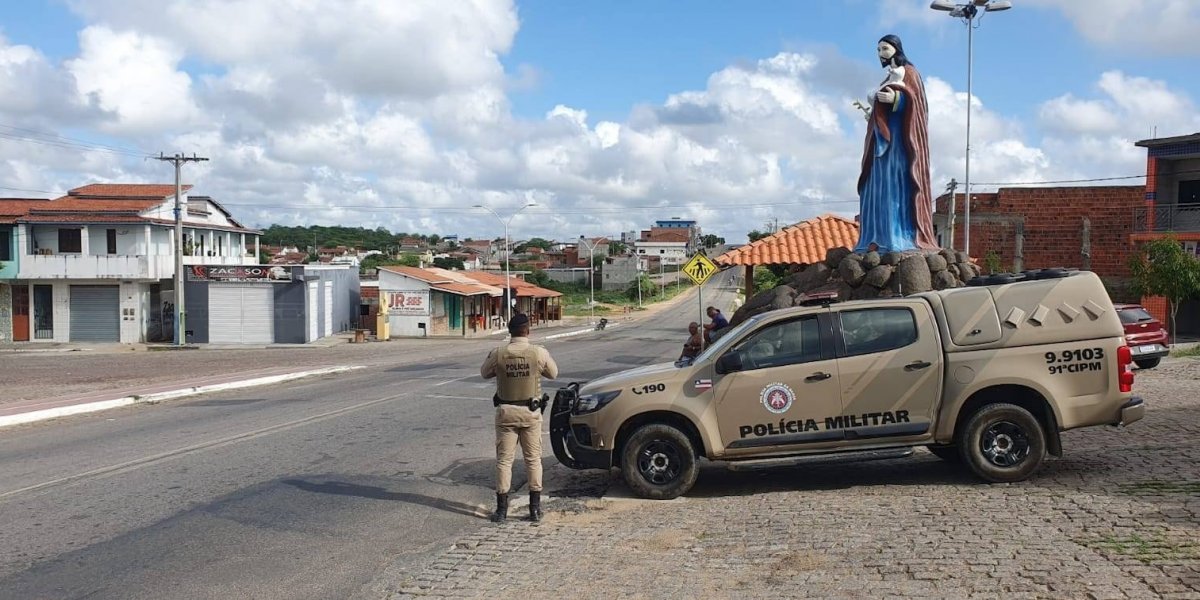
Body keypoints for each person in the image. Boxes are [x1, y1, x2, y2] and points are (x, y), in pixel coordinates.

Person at [854, 34, 939, 254]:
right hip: (880, 142)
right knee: (876, 186)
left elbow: (918, 106)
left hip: (899, 144)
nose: (880, 54)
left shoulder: (909, 72)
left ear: (896, 48)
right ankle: (876, 236)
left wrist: (897, 100)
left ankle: (897, 235)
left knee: (895, 185)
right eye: (878, 50)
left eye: (884, 49)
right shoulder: (887, 77)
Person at [480, 312, 559, 523]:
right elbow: (554, 373)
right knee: (533, 460)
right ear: (528, 330)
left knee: (504, 461)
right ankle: (534, 509)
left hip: (506, 413)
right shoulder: (538, 353)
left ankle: (502, 510)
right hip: (531, 413)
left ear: (509, 331)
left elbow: (484, 373)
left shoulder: (498, 353)